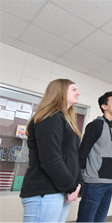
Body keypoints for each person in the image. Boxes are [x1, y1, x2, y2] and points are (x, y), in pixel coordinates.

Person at [20, 79, 83, 222]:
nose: (78, 93)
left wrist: (77, 184)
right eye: (74, 89)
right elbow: (51, 159)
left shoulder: (66, 122)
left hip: (61, 191)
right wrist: (71, 187)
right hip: (45, 191)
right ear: (60, 91)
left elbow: (73, 156)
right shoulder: (49, 117)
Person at [77, 91, 112, 222]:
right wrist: (80, 179)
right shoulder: (96, 125)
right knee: (86, 220)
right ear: (104, 106)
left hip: (110, 182)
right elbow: (82, 153)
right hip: (94, 182)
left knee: (99, 220)